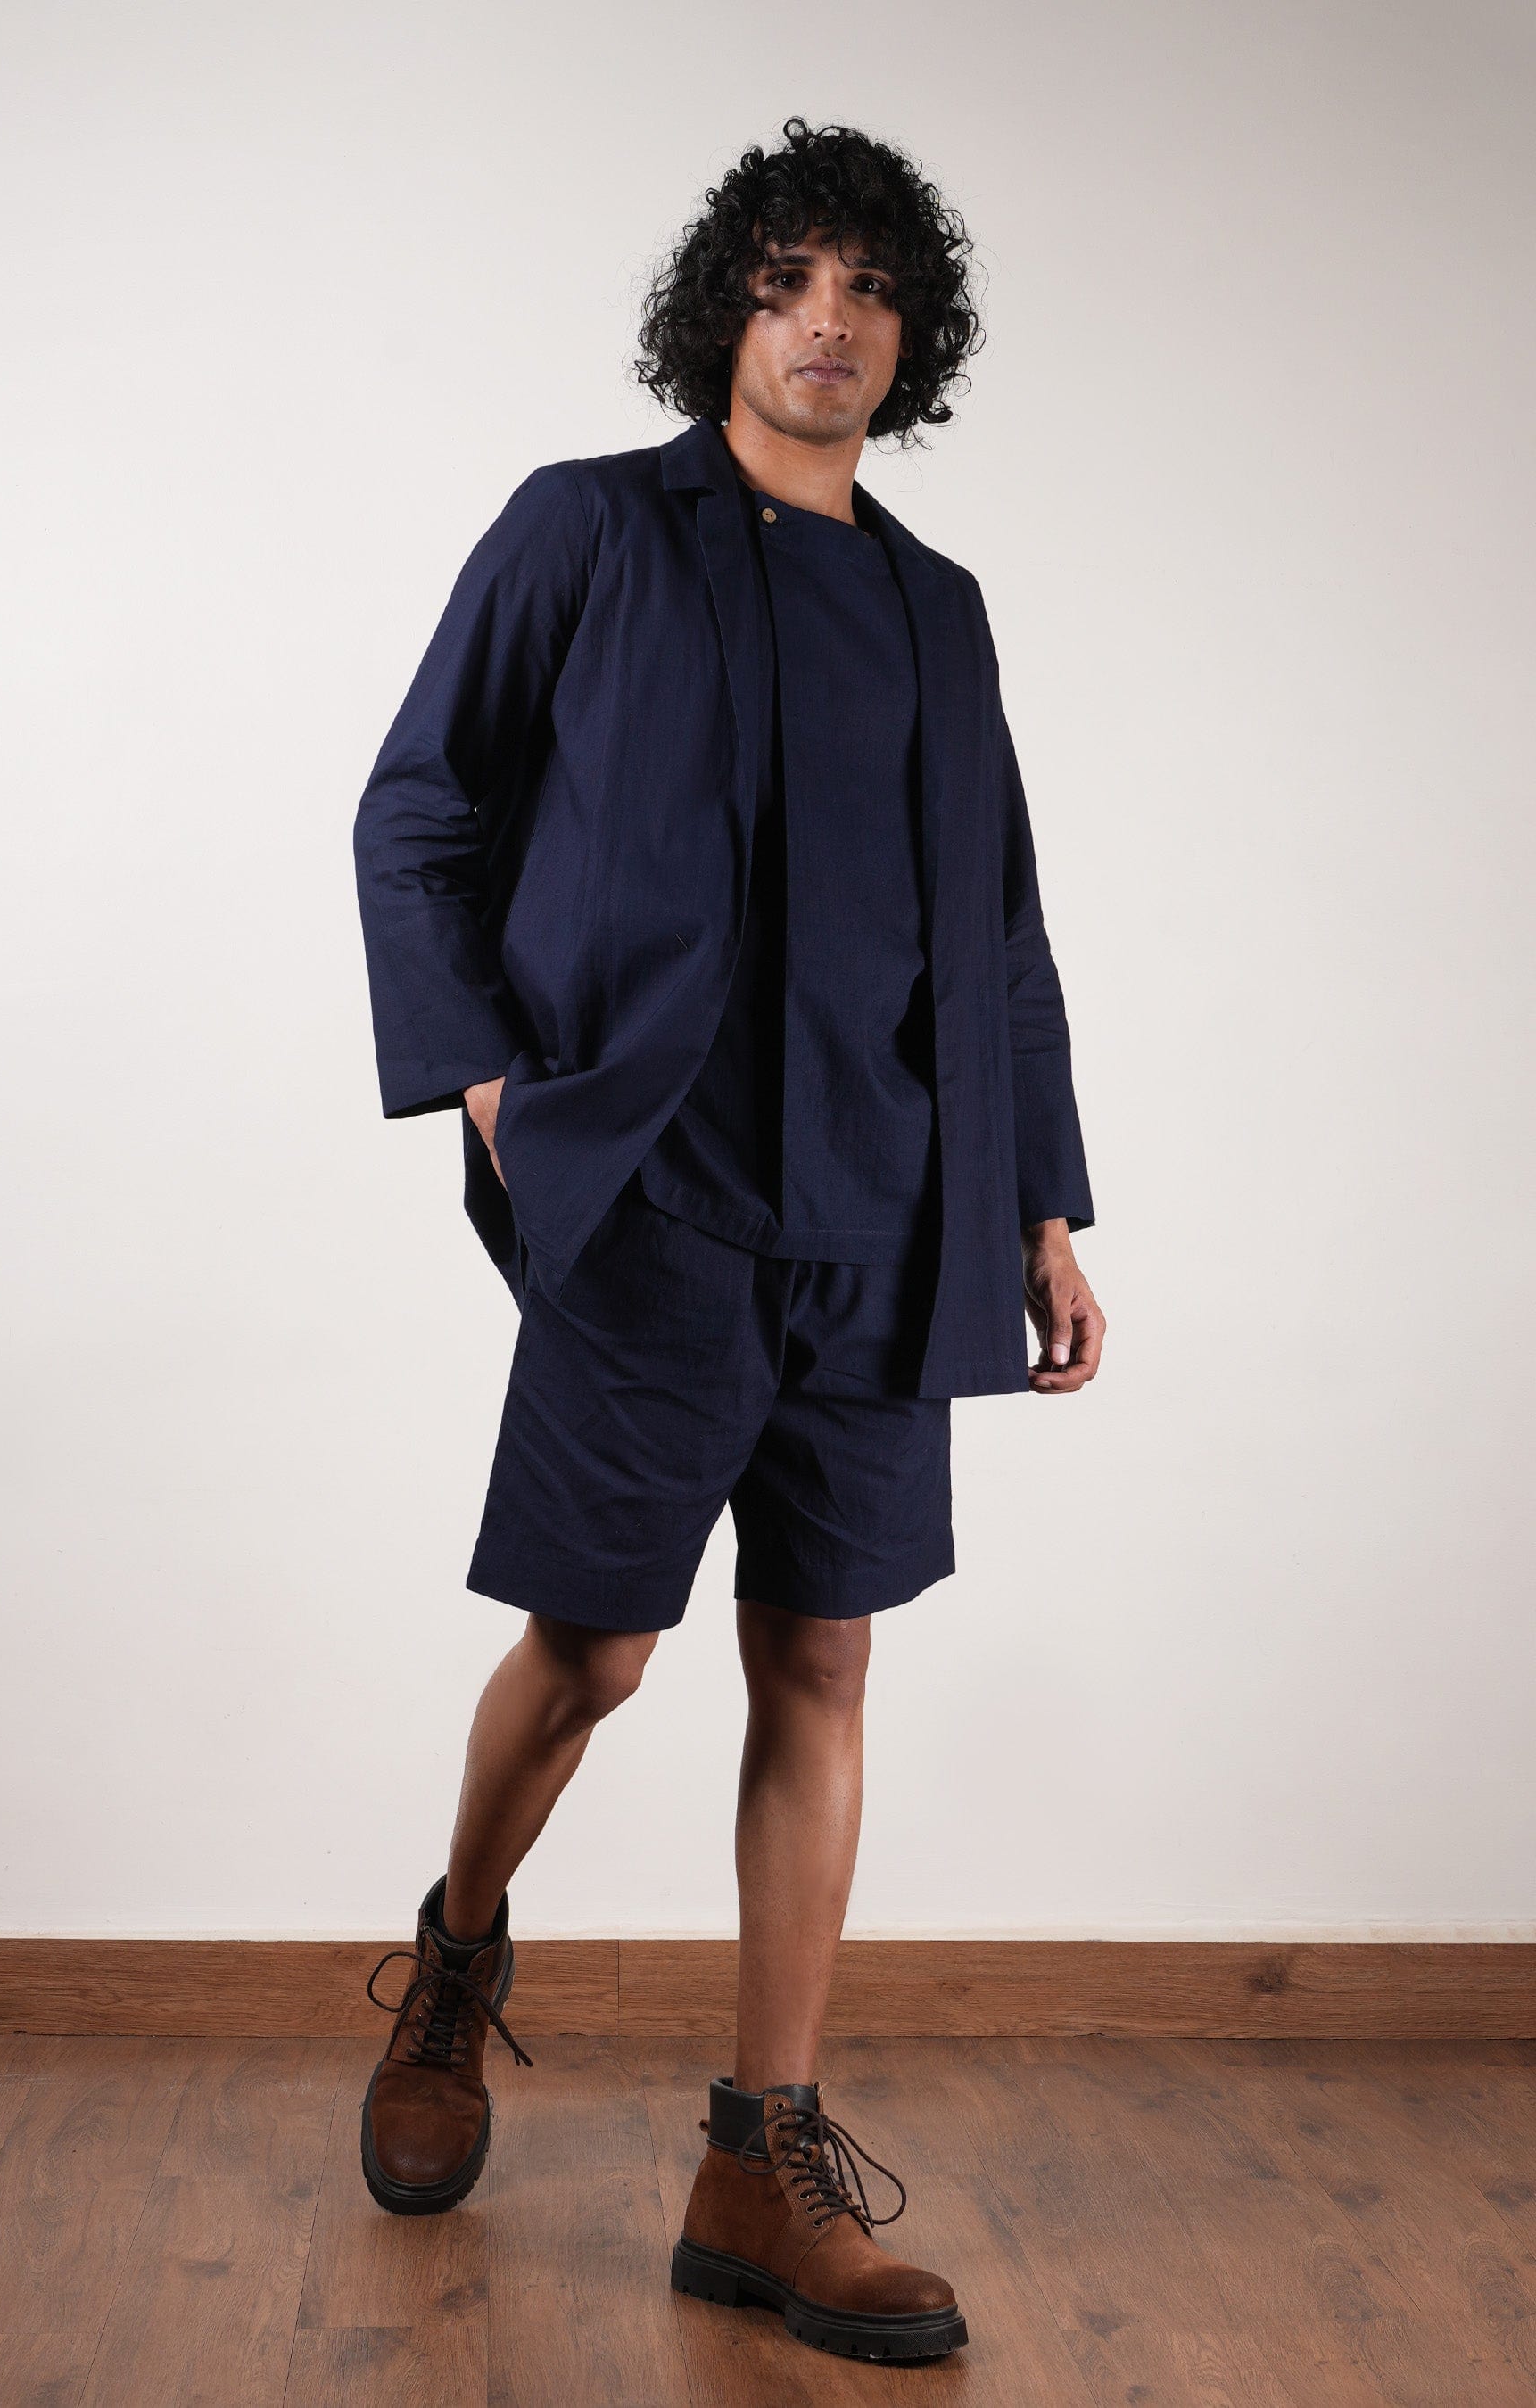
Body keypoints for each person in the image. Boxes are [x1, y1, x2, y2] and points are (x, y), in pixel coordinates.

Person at [351, 114, 1103, 2363]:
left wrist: (1045, 1204)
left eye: (867, 286)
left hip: (887, 1211)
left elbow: (1002, 933)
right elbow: (420, 809)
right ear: (727, 314)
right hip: (654, 1201)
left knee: (825, 1661)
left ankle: (758, 2159)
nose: (828, 320)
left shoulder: (939, 610)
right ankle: (459, 1952)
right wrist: (492, 1084)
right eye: (789, 278)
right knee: (595, 1651)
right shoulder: (588, 532)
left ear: (910, 336)